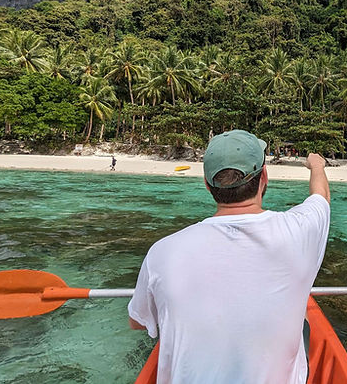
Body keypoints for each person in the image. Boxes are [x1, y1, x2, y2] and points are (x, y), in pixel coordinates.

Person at [127, 130, 330, 384]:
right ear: (264, 177)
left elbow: (137, 321)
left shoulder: (162, 252)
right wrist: (316, 166)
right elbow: (320, 198)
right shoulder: (299, 231)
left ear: (206, 184)